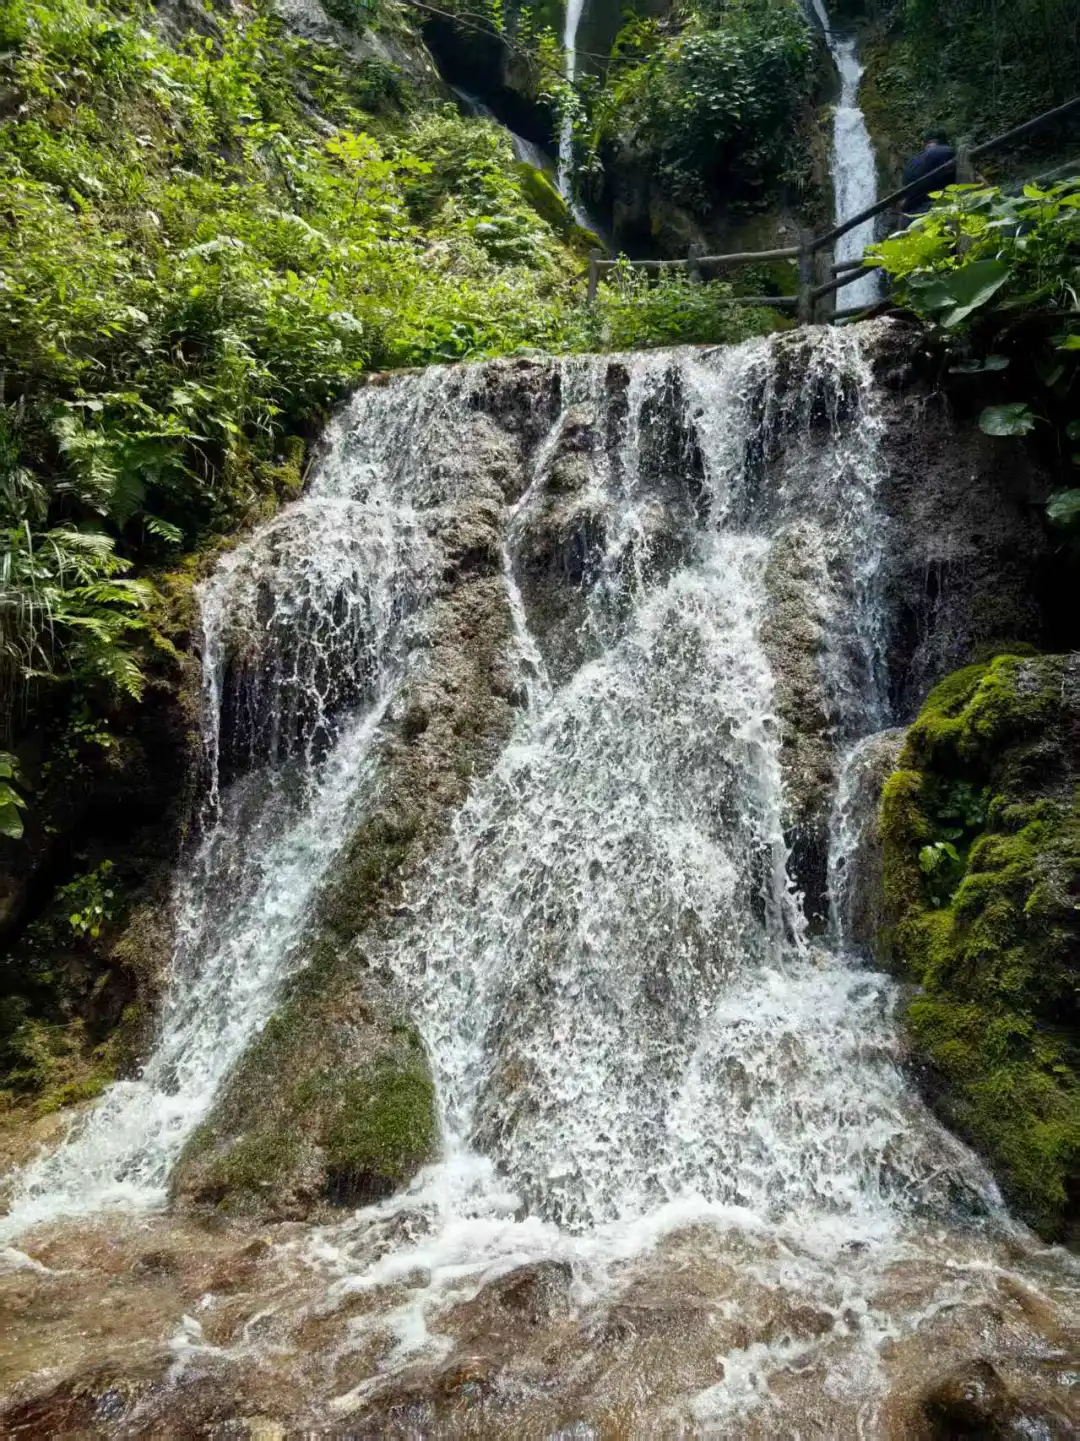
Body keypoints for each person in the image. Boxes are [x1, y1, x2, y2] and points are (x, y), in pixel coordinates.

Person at [902, 128, 957, 222]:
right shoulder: (948, 152)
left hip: (912, 217)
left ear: (926, 142)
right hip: (939, 210)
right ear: (944, 140)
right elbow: (972, 176)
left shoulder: (912, 161)